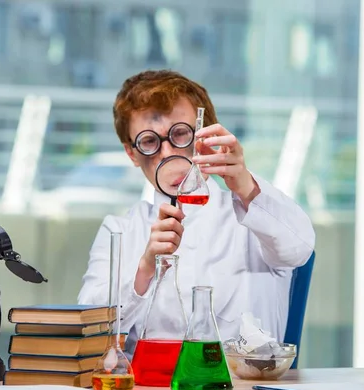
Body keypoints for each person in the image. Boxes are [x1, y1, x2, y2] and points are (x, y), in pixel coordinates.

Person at [77, 70, 315, 355]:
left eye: (180, 134)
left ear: (206, 135)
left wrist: (247, 187)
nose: (167, 153)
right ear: (132, 154)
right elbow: (87, 325)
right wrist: (145, 268)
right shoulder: (120, 230)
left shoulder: (253, 214)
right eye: (149, 142)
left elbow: (299, 249)